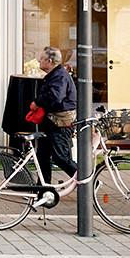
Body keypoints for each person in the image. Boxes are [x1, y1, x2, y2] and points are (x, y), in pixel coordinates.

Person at [30, 46, 78, 207]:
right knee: (43, 155)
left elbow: (55, 97)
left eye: (41, 58)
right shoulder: (56, 74)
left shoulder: (59, 76)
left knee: (60, 157)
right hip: (52, 123)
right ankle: (42, 191)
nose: (39, 60)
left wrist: (37, 103)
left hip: (60, 123)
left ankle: (89, 182)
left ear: (49, 61)